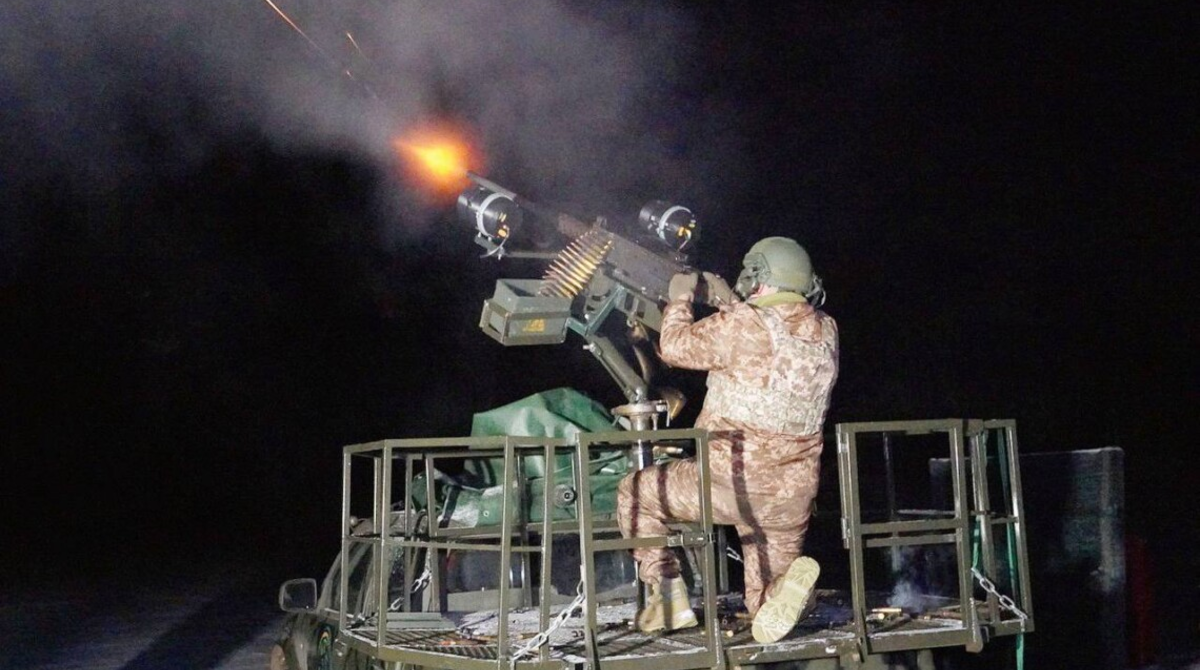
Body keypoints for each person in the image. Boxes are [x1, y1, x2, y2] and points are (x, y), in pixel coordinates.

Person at [616, 236, 839, 643]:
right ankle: (790, 593)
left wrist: (680, 298)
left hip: (729, 481)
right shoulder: (826, 331)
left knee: (635, 493)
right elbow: (768, 343)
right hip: (791, 494)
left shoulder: (745, 324)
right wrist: (728, 302)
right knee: (763, 601)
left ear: (758, 276)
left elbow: (675, 347)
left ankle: (668, 596)